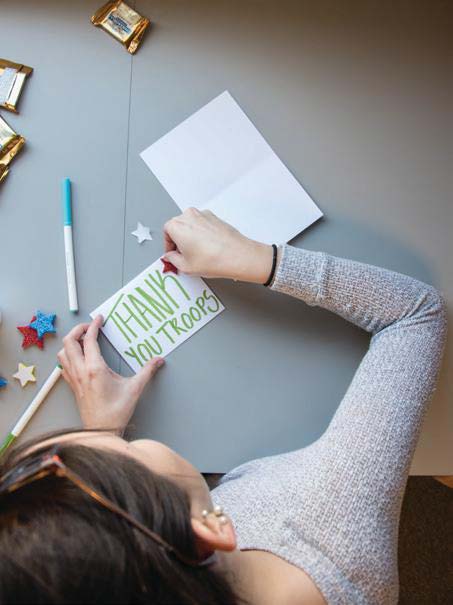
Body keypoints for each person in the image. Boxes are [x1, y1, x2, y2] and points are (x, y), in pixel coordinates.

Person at [0, 209, 446, 605]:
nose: (107, 442)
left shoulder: (179, 573)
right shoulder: (329, 517)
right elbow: (417, 314)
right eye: (128, 458)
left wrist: (105, 430)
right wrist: (257, 260)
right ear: (210, 531)